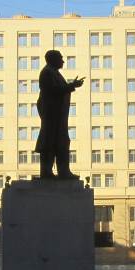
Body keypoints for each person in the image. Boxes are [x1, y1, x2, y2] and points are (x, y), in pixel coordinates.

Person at [34, 50, 84, 178]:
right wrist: (72, 85)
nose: (63, 61)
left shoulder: (54, 73)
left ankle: (63, 171)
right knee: (50, 142)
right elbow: (53, 90)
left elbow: (57, 90)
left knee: (61, 141)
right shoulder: (47, 73)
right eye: (61, 58)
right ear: (53, 59)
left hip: (58, 115)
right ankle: (48, 172)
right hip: (52, 115)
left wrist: (71, 85)